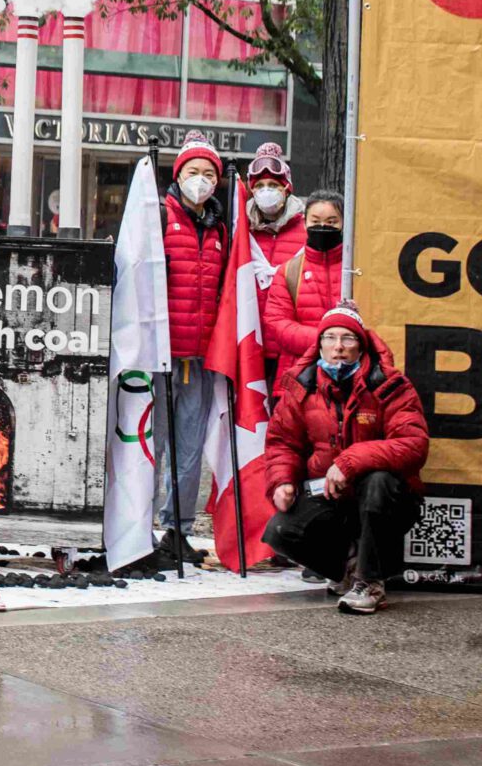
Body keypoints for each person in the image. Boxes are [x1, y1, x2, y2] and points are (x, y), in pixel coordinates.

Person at [261, 302, 428, 616]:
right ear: (320, 343)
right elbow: (282, 442)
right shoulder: (302, 385)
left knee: (379, 480)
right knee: (280, 531)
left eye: (348, 339)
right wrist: (282, 481)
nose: (338, 347)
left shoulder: (389, 383)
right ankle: (349, 569)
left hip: (385, 500)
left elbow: (414, 444)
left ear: (361, 345)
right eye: (330, 338)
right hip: (330, 494)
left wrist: (350, 462)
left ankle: (370, 582)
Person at [157, 132, 229, 541]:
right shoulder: (159, 217)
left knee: (189, 452)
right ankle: (136, 530)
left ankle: (177, 529)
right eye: (192, 172)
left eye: (207, 174)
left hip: (199, 359)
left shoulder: (221, 229)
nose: (199, 180)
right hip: (160, 356)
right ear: (178, 175)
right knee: (151, 448)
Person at [261, 190, 344, 370]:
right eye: (315, 221)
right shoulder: (289, 271)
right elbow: (277, 323)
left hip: (351, 371)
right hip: (299, 374)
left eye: (332, 222)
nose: (323, 227)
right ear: (305, 223)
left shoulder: (356, 269)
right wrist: (327, 340)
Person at [242, 142, 306, 277]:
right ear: (252, 191)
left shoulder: (306, 229)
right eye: (259, 186)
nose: (266, 190)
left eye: (273, 185)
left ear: (286, 189)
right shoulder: (242, 229)